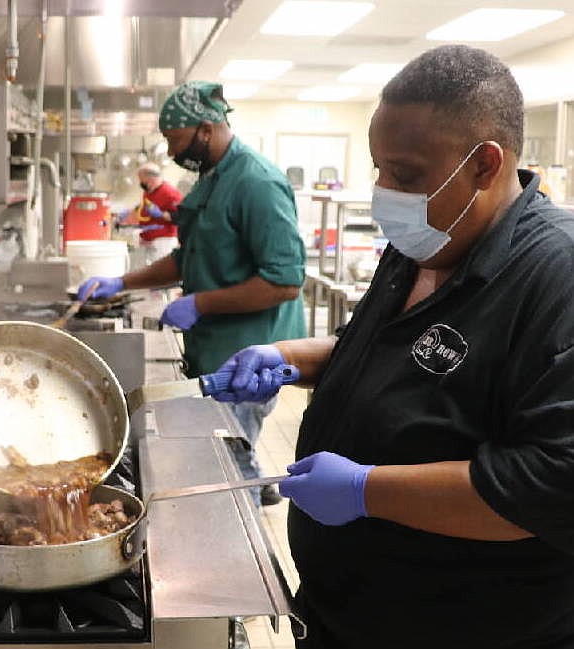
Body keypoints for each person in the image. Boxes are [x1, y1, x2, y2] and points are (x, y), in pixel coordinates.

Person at [213, 44, 574, 647]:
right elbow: (383, 352)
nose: (386, 192)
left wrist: (365, 491)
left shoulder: (554, 277)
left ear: (485, 165)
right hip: (344, 616)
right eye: (380, 169)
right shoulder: (421, 243)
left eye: (405, 175)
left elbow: (551, 484)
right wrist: (287, 359)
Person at [79, 80, 306, 506]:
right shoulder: (212, 178)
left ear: (205, 129)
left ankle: (242, 543)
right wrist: (120, 283)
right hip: (215, 349)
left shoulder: (256, 182)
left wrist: (200, 303)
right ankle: (259, 488)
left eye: (174, 139)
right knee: (232, 451)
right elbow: (189, 257)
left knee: (229, 467)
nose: (170, 151)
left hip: (248, 358)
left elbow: (284, 281)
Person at [135, 162, 183, 264]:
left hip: (164, 242)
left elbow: (181, 217)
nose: (140, 183)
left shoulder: (170, 193)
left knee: (162, 275)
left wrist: (161, 214)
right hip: (148, 241)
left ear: (150, 178)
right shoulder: (149, 191)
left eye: (142, 180)